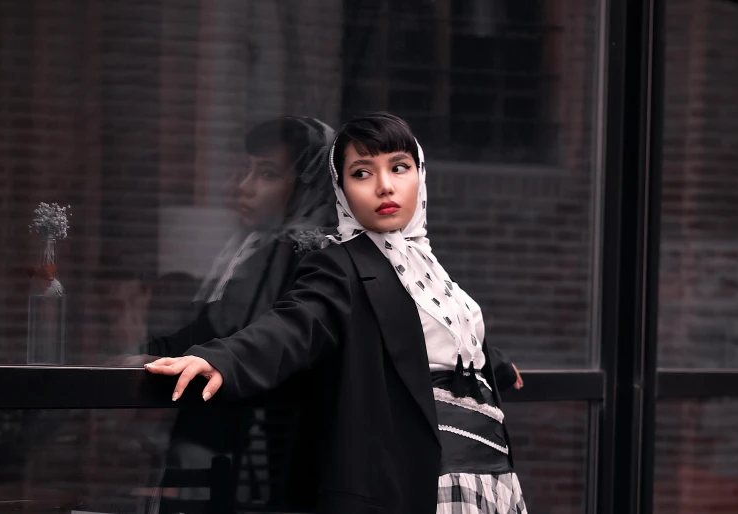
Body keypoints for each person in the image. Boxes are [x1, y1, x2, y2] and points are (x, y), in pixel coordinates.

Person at [146, 112, 527, 514]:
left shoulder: (428, 267)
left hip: (491, 475)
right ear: (340, 190)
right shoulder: (340, 264)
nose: (384, 186)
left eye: (399, 167)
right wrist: (221, 359)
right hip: (421, 481)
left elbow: (431, 332)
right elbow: (294, 324)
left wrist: (495, 363)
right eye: (362, 173)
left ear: (420, 175)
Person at [147, 116, 338, 507]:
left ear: (308, 185)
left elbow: (232, 332)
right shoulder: (252, 249)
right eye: (243, 170)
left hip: (263, 449)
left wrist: (154, 350)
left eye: (266, 174)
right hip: (232, 437)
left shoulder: (300, 254)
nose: (243, 187)